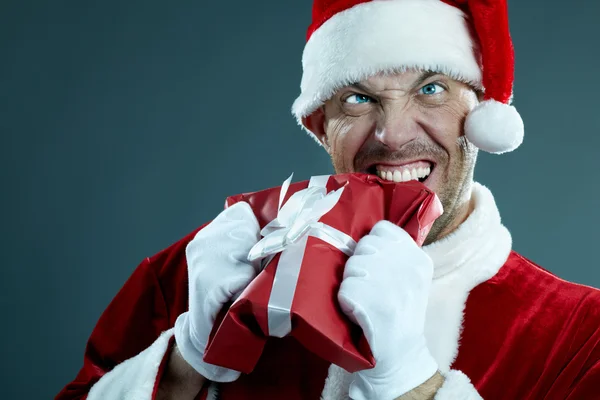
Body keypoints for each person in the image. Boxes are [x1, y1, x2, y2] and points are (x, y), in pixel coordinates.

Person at [56, 0, 600, 399]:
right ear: (322, 127)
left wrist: (410, 382)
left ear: (479, 116)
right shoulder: (188, 278)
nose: (391, 133)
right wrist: (184, 361)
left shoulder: (578, 335)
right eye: (357, 98)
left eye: (431, 88)